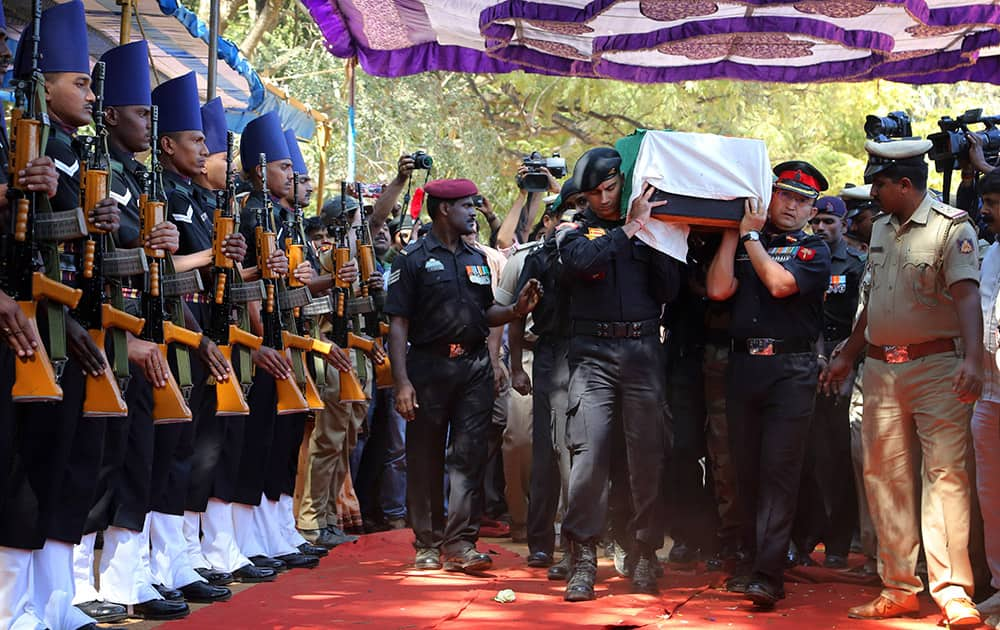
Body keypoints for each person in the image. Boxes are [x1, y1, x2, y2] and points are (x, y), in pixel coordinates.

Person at [825, 139, 983, 627]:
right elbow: (873, 301)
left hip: (938, 368)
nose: (873, 192)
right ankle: (897, 587)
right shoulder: (880, 231)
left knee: (946, 479)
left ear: (906, 184)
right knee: (885, 478)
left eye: (880, 183)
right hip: (881, 371)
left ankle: (953, 592)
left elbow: (967, 298)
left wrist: (974, 360)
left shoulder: (951, 227)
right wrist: (848, 354)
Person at [385, 178, 542, 573]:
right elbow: (398, 323)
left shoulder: (476, 258)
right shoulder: (413, 259)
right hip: (428, 367)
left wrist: (516, 310)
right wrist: (402, 381)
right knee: (425, 456)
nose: (474, 212)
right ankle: (427, 542)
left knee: (469, 456)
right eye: (467, 206)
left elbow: (485, 313)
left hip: (473, 367)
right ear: (444, 210)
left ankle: (461, 544)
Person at [707, 160, 832, 608]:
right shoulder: (745, 240)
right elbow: (719, 290)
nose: (794, 207)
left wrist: (752, 238)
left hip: (791, 370)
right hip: (744, 367)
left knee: (779, 473)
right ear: (770, 196)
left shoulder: (814, 249)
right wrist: (731, 232)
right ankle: (747, 560)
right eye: (786, 196)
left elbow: (780, 286)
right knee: (745, 469)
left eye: (803, 201)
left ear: (812, 210)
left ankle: (768, 575)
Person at [557, 147, 680, 601]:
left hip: (644, 349)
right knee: (588, 455)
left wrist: (655, 235)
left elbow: (669, 289)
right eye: (593, 192)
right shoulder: (574, 227)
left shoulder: (650, 229)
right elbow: (580, 262)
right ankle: (583, 554)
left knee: (647, 455)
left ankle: (644, 550)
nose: (602, 199)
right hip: (592, 351)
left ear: (623, 182)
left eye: (609, 189)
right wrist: (629, 228)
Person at [791, 195, 865, 569]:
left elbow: (863, 318)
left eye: (828, 223)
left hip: (844, 365)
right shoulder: (799, 257)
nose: (820, 229)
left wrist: (841, 360)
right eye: (816, 222)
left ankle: (838, 540)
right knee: (803, 457)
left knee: (839, 458)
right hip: (805, 360)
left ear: (844, 226)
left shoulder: (857, 264)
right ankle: (803, 538)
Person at [970, 168, 1000, 620]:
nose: (986, 211)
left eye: (993, 203)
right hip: (990, 392)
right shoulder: (992, 251)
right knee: (992, 496)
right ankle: (999, 586)